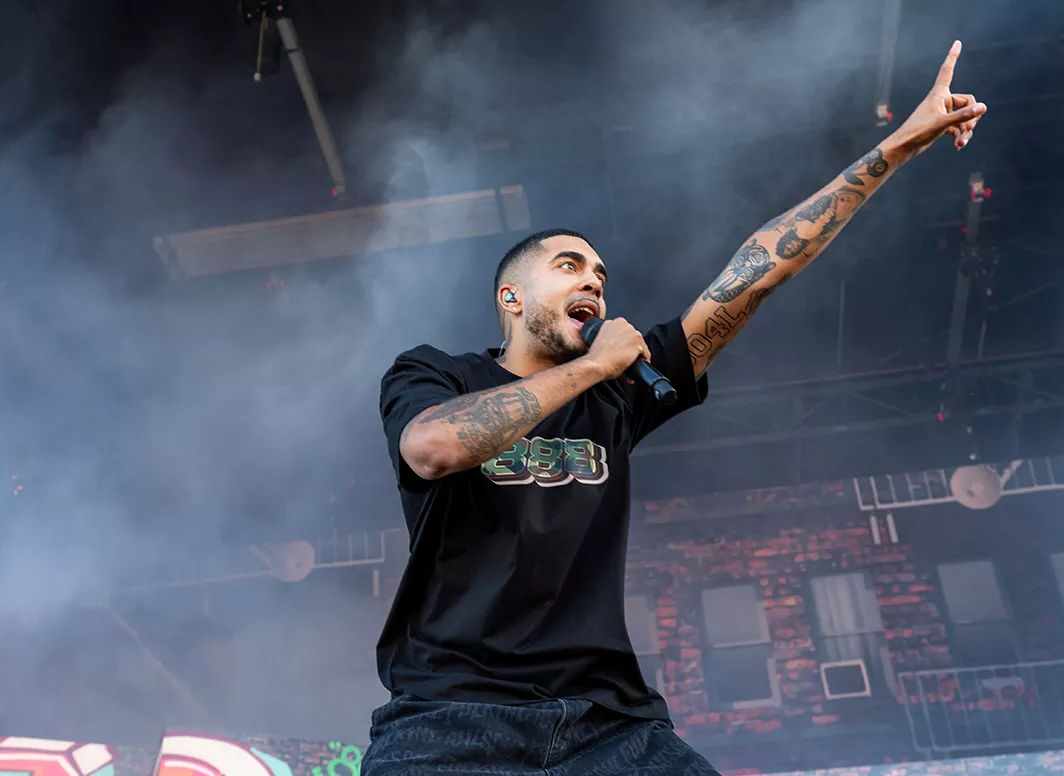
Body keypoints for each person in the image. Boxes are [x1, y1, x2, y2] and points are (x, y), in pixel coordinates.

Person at [365, 42, 986, 776]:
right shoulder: (438, 371)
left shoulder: (620, 390)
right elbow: (433, 448)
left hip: (608, 725)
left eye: (601, 275)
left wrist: (897, 145)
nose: (593, 282)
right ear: (511, 298)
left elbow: (758, 271)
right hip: (449, 720)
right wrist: (595, 366)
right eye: (569, 266)